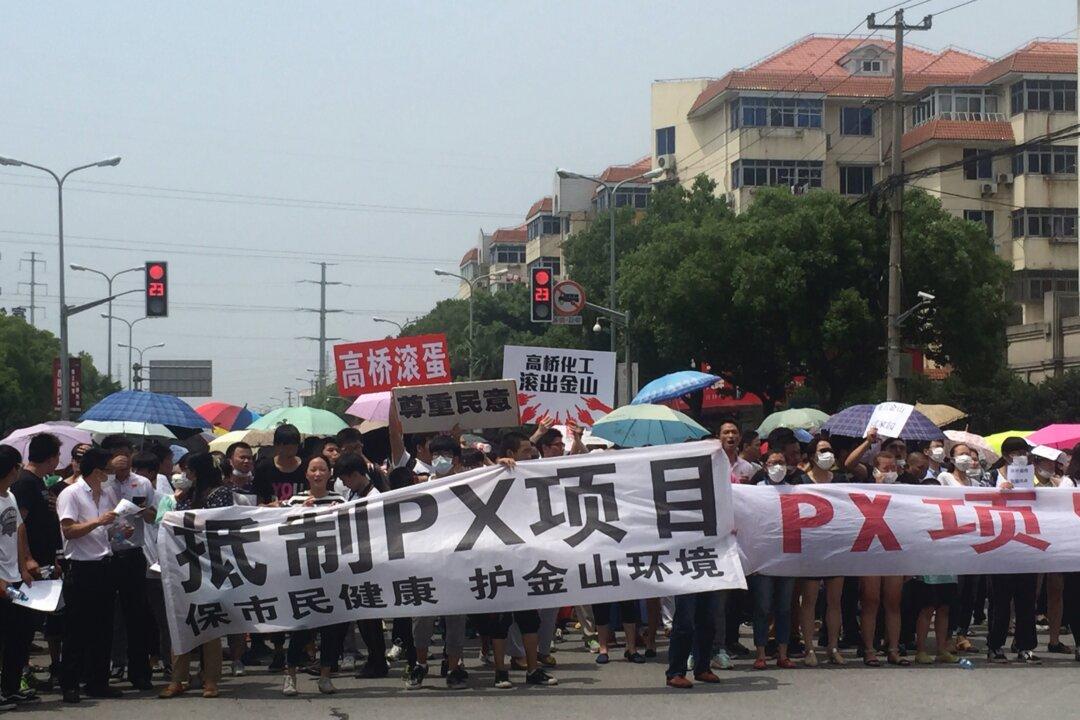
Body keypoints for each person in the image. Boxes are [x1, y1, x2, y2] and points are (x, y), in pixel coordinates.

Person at [158, 453, 232, 699]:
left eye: (188, 470)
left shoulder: (220, 493)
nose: (185, 475)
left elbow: (217, 522)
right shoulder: (187, 496)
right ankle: (178, 678)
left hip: (211, 563)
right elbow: (173, 522)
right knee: (181, 619)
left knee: (209, 621)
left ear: (197, 471)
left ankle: (210, 678)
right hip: (184, 563)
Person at [57, 447, 124, 703]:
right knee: (77, 629)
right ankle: (70, 683)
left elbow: (107, 533)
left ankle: (98, 681)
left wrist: (119, 532)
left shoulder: (105, 494)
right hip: (81, 568)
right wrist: (98, 522)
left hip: (104, 564)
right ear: (97, 471)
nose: (110, 474)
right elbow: (69, 530)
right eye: (108, 469)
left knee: (103, 627)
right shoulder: (71, 494)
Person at [278, 455, 349, 696]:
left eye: (322, 469)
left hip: (331, 573)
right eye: (313, 469)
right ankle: (290, 675)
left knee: (331, 628)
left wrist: (338, 514)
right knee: (301, 627)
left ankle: (325, 675)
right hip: (303, 574)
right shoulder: (295, 500)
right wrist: (299, 512)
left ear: (330, 474)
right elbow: (278, 529)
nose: (318, 474)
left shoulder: (339, 500)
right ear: (306, 474)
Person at [408, 434, 469, 690]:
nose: (438, 460)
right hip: (427, 563)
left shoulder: (469, 484)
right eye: (435, 455)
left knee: (456, 620)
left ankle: (454, 667)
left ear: (455, 460)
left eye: (444, 455)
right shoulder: (421, 486)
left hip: (457, 563)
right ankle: (420, 665)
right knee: (421, 618)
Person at [101, 435, 158, 691]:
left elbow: (152, 516)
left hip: (133, 553)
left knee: (136, 615)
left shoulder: (142, 482)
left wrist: (142, 511)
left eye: (125, 452)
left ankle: (140, 672)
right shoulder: (101, 484)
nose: (122, 458)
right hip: (105, 554)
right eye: (116, 453)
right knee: (106, 615)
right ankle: (107, 668)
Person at [10, 432, 64, 687]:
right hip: (27, 568)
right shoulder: (24, 484)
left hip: (44, 561)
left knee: (32, 622)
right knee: (22, 624)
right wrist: (27, 560)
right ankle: (17, 675)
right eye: (57, 456)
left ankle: (21, 673)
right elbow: (18, 526)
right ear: (52, 458)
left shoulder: (39, 483)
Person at [986, 437, 1041, 664]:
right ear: (1008, 454)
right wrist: (998, 492)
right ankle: (995, 645)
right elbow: (975, 503)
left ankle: (1025, 644)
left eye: (1025, 452)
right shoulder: (991, 478)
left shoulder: (1030, 478)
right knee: (1000, 600)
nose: (1022, 456)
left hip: (1026, 544)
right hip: (1000, 546)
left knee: (1026, 600)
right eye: (1018, 452)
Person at [794, 433, 845, 667]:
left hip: (835, 547)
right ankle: (809, 648)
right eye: (823, 450)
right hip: (811, 548)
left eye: (830, 450)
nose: (828, 454)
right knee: (810, 600)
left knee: (835, 600)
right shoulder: (801, 481)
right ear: (812, 455)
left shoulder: (840, 480)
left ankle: (833, 646)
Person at [747, 450, 801, 670]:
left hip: (786, 557)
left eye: (781, 462)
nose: (777, 467)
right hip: (763, 559)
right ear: (764, 465)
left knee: (784, 608)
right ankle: (760, 653)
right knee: (762, 607)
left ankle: (782, 653)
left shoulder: (796, 491)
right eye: (773, 463)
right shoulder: (754, 492)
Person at [858, 451, 908, 667]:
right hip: (870, 551)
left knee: (893, 603)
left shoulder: (904, 495)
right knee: (871, 601)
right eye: (885, 469)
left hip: (893, 552)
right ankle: (869, 650)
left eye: (893, 469)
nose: (890, 473)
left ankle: (893, 649)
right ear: (875, 470)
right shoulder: (863, 492)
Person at [0, 444, 37, 707]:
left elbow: (20, 530)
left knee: (18, 636)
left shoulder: (10, 495)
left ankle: (11, 687)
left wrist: (25, 564)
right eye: (17, 466)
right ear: (10, 469)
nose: (20, 471)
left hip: (15, 577)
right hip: (1, 579)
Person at [910, 574, 959, 665]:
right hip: (928, 574)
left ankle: (942, 650)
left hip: (949, 574)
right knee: (928, 609)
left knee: (944, 608)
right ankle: (921, 651)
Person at [253, 424, 306, 506]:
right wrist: (268, 506)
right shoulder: (264, 467)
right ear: (276, 445)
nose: (290, 448)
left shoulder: (306, 467)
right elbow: (257, 502)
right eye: (285, 444)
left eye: (294, 444)